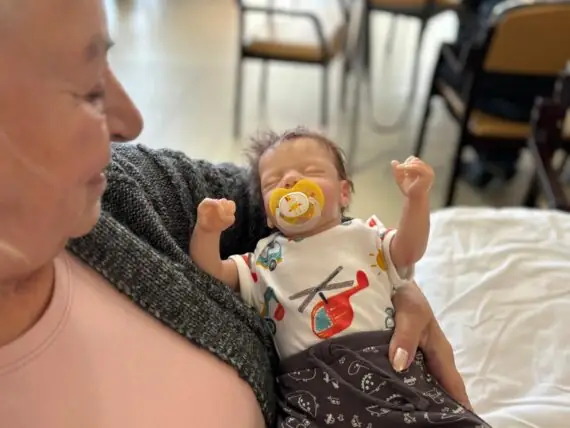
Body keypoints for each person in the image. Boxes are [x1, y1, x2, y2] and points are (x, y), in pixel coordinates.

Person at [0, 0, 471, 427]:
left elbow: (282, 206)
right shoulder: (262, 259)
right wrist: (209, 231)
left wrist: (390, 282)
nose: (132, 122)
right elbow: (222, 262)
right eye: (86, 90)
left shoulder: (122, 192)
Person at [190, 128, 490, 427]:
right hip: (311, 388)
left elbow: (409, 250)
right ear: (268, 215)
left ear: (343, 193)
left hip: (388, 369)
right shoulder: (262, 259)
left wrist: (416, 199)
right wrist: (207, 231)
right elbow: (211, 273)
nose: (290, 181)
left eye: (311, 171)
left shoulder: (366, 235)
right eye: (273, 182)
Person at [441, 0, 556, 187]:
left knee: (451, 63)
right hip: (547, 103)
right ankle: (499, 159)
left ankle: (492, 158)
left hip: (488, 96)